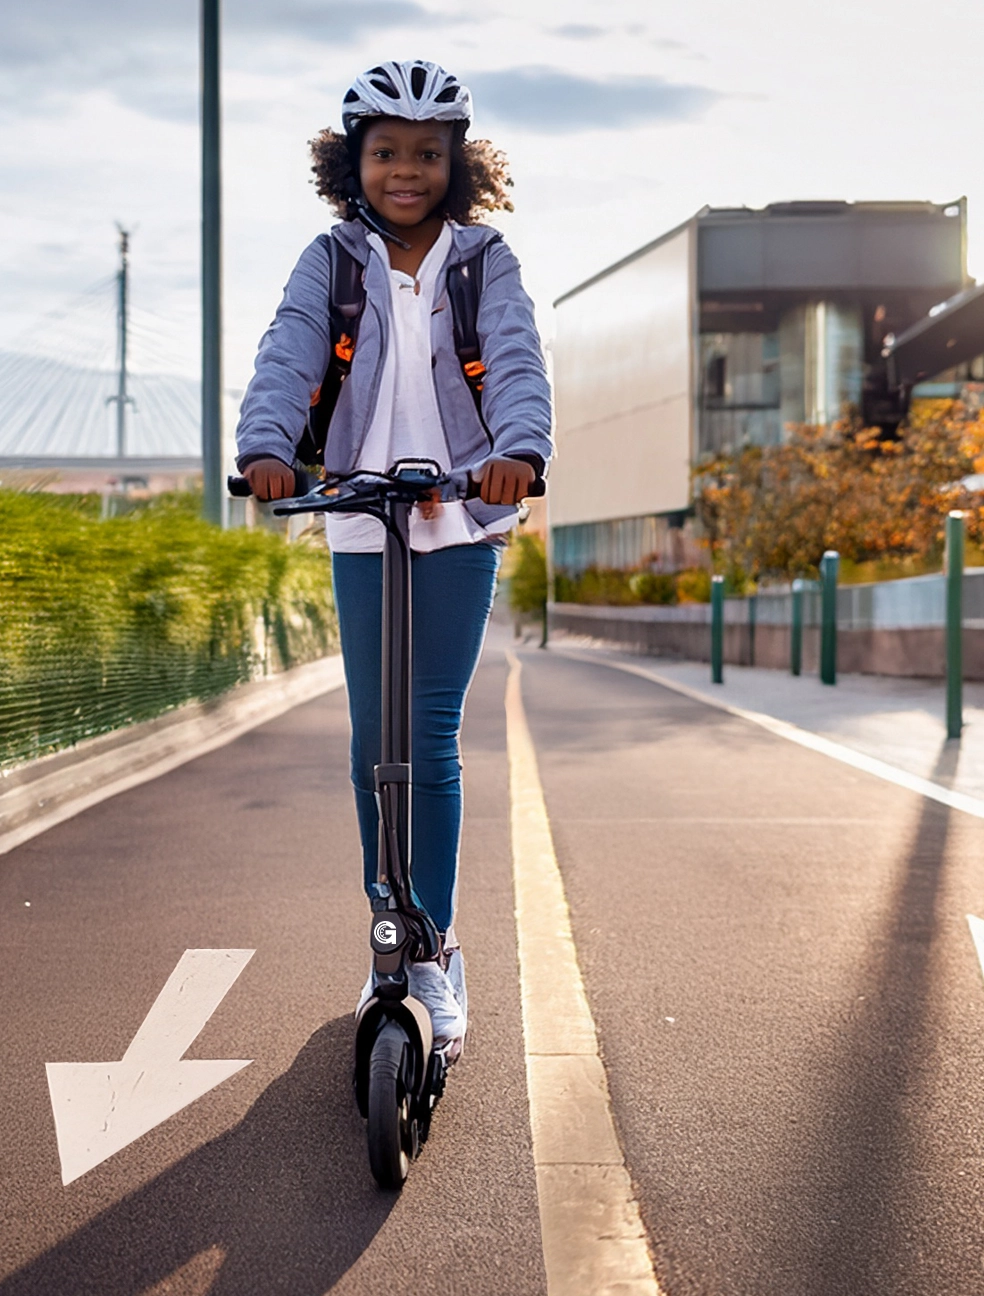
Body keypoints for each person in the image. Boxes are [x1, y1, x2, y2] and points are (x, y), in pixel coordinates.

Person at [235, 60, 552, 1060]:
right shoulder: (329, 262)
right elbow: (289, 353)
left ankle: (433, 949)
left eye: (425, 154)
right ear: (354, 162)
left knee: (429, 733)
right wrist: (267, 449)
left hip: (458, 515)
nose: (404, 171)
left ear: (457, 165)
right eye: (386, 153)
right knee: (374, 739)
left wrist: (518, 453)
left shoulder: (480, 259)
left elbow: (513, 356)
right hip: (364, 518)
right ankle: (389, 933)